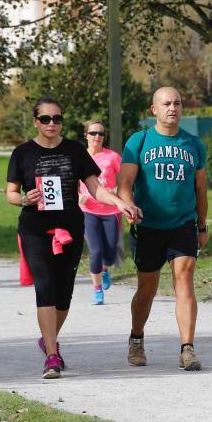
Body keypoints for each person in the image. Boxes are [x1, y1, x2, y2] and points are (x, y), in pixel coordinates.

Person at [6, 96, 140, 379]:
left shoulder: (76, 151)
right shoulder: (22, 153)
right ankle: (52, 356)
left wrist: (118, 203)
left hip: (70, 228)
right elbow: (10, 193)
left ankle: (48, 340)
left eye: (57, 118)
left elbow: (95, 187)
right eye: (45, 119)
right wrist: (23, 199)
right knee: (45, 286)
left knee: (64, 294)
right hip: (35, 230)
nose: (51, 124)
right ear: (36, 122)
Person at [118, 87, 209, 371]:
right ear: (154, 109)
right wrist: (129, 206)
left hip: (182, 224)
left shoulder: (193, 144)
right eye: (166, 103)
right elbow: (125, 183)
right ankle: (136, 338)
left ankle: (187, 348)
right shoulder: (139, 141)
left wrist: (202, 225)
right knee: (147, 288)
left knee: (184, 279)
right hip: (148, 227)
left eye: (178, 103)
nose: (173, 108)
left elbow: (201, 189)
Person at [78, 120, 123, 306]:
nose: (97, 136)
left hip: (110, 211)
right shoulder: (79, 157)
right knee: (96, 251)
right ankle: (97, 291)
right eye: (93, 133)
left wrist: (116, 191)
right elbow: (69, 181)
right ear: (86, 135)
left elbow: (126, 181)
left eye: (101, 134)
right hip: (88, 211)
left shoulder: (112, 157)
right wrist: (79, 195)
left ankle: (104, 269)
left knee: (111, 254)